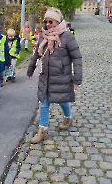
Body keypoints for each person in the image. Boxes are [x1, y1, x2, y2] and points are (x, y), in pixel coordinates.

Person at [27, 8, 82, 143]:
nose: (48, 24)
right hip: (45, 75)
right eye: (46, 21)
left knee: (62, 99)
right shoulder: (43, 35)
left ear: (57, 21)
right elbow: (36, 54)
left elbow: (77, 58)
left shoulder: (67, 36)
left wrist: (77, 78)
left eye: (50, 21)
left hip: (61, 76)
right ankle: (43, 130)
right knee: (44, 102)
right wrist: (30, 69)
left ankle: (68, 117)